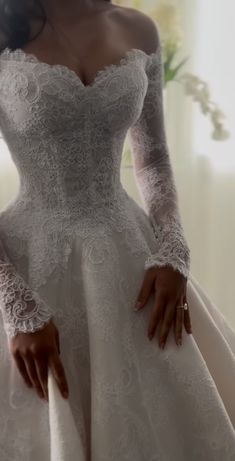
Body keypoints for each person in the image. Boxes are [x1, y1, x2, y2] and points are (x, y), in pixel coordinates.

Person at [0, 0, 234, 459]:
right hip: (29, 263)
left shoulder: (137, 28)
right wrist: (15, 304)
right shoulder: (6, 26)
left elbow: (153, 159)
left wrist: (173, 248)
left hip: (131, 255)